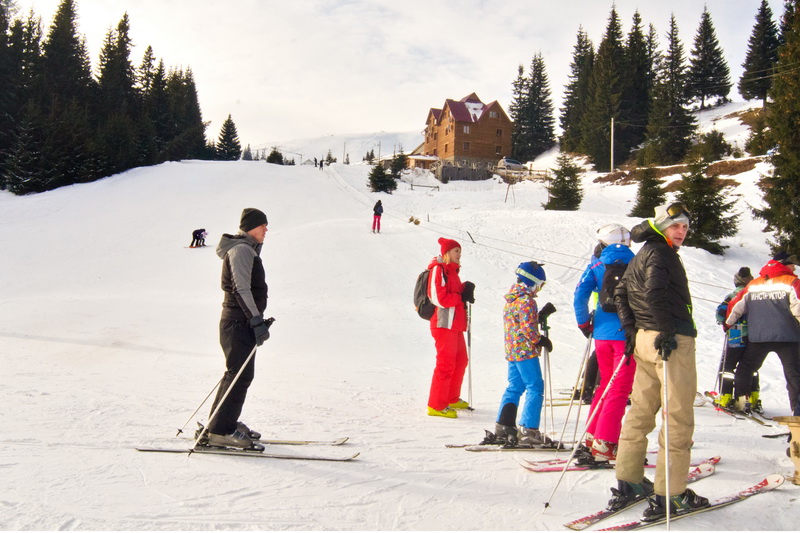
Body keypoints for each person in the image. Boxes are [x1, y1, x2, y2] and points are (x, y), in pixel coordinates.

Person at [610, 202, 709, 520]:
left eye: (685, 227)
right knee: (678, 417)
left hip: (645, 340)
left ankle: (629, 481)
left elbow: (620, 292)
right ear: (661, 226)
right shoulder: (663, 254)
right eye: (675, 225)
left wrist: (631, 331)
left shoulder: (643, 252)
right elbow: (653, 294)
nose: (681, 231)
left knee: (640, 412)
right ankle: (672, 494)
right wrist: (666, 330)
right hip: (670, 342)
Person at [205, 208, 274, 449]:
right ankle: (220, 430)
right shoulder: (242, 250)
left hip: (239, 321)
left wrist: (257, 320)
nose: (266, 230)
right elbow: (241, 288)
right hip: (238, 322)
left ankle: (219, 424)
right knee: (239, 375)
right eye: (262, 225)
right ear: (251, 227)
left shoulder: (246, 249)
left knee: (236, 374)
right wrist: (255, 321)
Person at [573, 224, 635, 462]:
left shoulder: (596, 264)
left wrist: (584, 323)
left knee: (605, 385)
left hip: (601, 334)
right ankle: (606, 443)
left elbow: (580, 295)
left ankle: (593, 435)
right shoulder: (636, 263)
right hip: (626, 334)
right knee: (620, 389)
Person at [726, 252, 800, 416]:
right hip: (788, 337)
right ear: (782, 264)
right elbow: (798, 307)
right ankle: (797, 411)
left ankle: (741, 404)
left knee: (746, 369)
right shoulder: (791, 282)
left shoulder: (754, 284)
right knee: (794, 374)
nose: (794, 268)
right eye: (791, 264)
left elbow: (735, 305)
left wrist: (728, 323)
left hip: (759, 337)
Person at [494, 261, 555, 446]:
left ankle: (504, 425)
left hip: (513, 351)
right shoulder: (527, 301)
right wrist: (540, 340)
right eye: (540, 284)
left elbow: (519, 322)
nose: (539, 289)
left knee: (515, 386)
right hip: (525, 351)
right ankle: (529, 429)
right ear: (531, 282)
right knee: (535, 387)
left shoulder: (512, 300)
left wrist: (538, 317)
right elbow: (528, 329)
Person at [426, 237, 475, 418]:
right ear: (446, 253)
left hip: (455, 324)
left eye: (460, 251)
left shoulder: (453, 272)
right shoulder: (438, 270)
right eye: (456, 251)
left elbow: (453, 293)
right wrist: (460, 297)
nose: (459, 254)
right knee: (445, 364)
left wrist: (465, 289)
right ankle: (436, 405)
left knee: (461, 361)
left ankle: (451, 398)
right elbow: (438, 298)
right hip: (443, 323)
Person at [713, 267, 757, 410]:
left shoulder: (733, 296)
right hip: (754, 336)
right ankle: (750, 397)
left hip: (736, 335)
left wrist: (724, 323)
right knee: (749, 367)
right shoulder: (756, 295)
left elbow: (720, 313)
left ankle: (725, 397)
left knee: (728, 367)